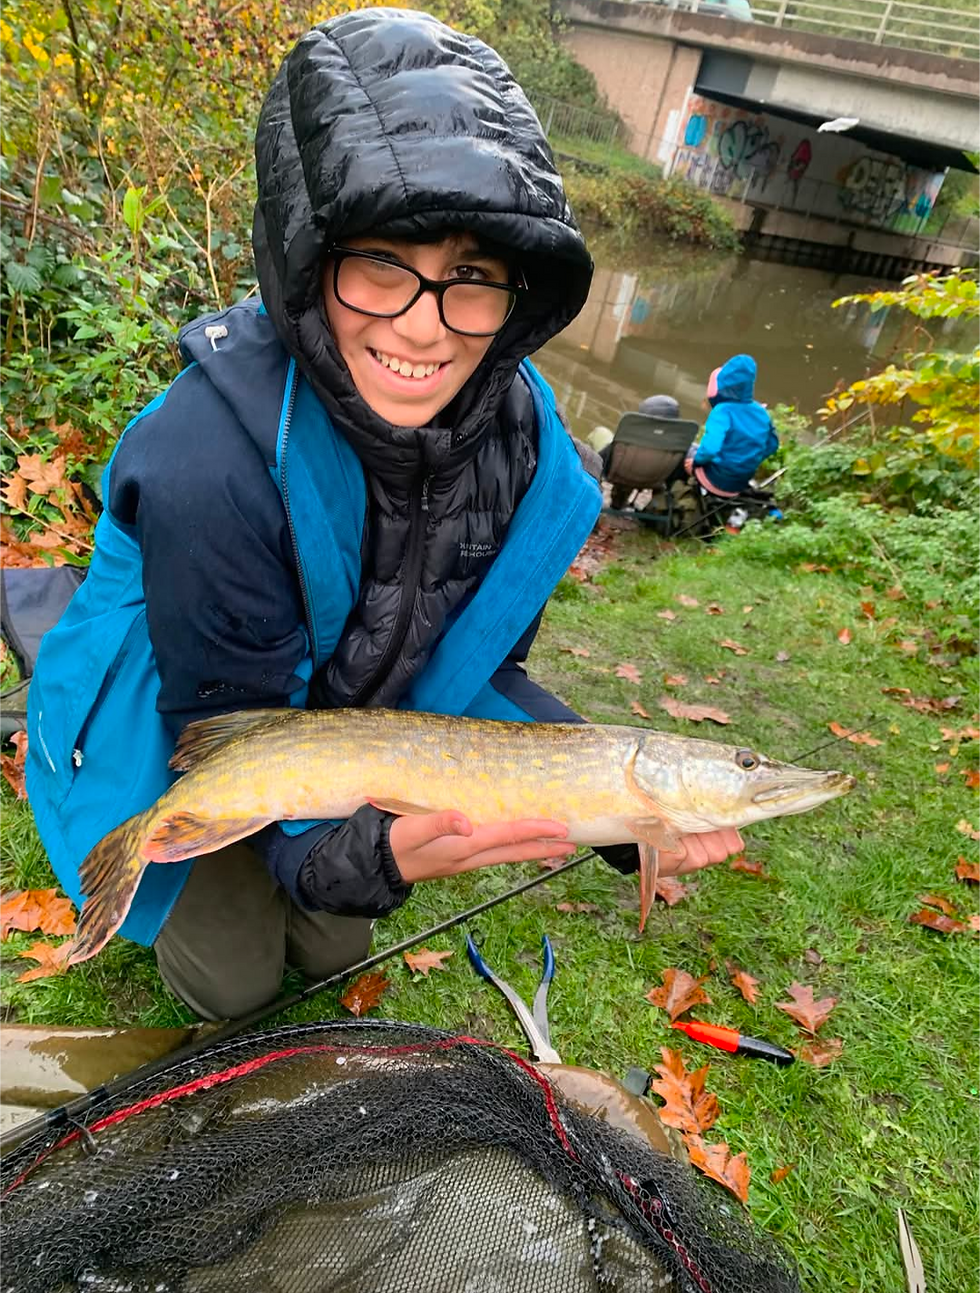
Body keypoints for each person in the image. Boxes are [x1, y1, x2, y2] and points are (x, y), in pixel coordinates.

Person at [25, 9, 743, 1021]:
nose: (421, 325)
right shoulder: (209, 463)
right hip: (183, 723)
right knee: (234, 986)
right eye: (381, 264)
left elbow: (483, 669)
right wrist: (347, 852)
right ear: (311, 258)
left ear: (515, 296)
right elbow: (223, 731)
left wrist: (630, 815)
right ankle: (139, 862)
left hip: (356, 724)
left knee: (328, 949)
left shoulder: (532, 455)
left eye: (471, 278)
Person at [684, 355, 778, 496]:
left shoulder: (722, 411)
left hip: (714, 479)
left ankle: (675, 501)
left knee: (686, 450)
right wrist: (748, 461)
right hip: (741, 482)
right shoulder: (761, 412)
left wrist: (696, 462)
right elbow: (772, 444)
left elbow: (710, 450)